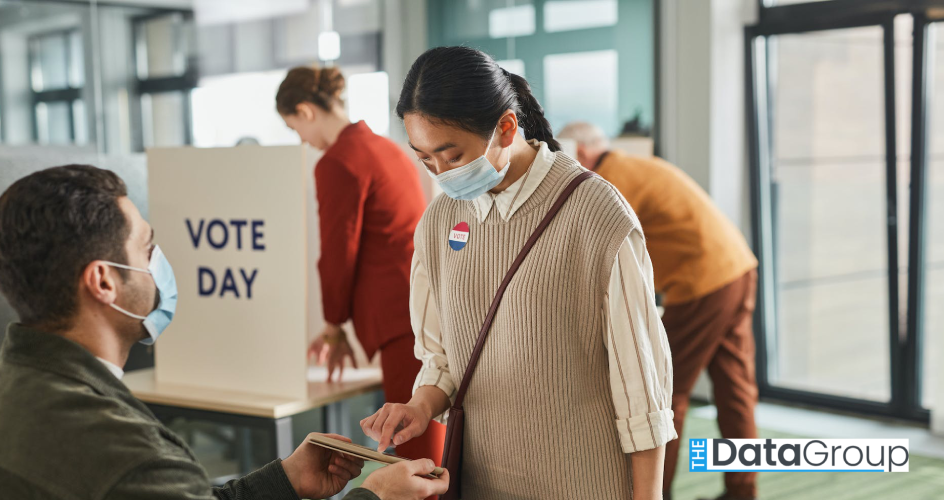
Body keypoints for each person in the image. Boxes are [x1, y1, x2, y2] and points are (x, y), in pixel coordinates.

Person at [0, 165, 450, 500]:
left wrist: (284, 480)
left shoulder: (25, 387)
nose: (160, 263)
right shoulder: (123, 454)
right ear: (103, 282)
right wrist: (375, 496)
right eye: (147, 247)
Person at [360, 47, 676, 500]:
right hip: (481, 483)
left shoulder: (595, 214)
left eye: (452, 156)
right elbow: (444, 359)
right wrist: (420, 405)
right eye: (425, 159)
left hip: (584, 483)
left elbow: (641, 391)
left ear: (506, 127)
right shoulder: (439, 222)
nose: (442, 174)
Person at [558, 122, 760, 500]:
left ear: (580, 153)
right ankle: (743, 492)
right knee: (736, 389)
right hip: (736, 268)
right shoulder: (632, 167)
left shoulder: (609, 181)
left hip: (702, 281)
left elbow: (591, 248)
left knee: (665, 393)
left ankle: (657, 492)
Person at [276, 66, 445, 464]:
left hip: (397, 317)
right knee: (430, 442)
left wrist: (333, 326)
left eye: (293, 127)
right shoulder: (384, 147)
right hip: (422, 305)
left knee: (412, 452)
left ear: (305, 110)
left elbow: (338, 253)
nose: (301, 139)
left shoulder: (338, 161)